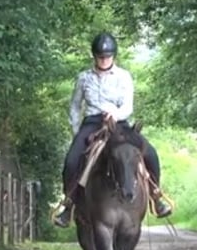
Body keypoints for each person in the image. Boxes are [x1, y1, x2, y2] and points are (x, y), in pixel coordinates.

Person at [53, 32, 172, 228]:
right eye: (100, 57)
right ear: (94, 56)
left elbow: (128, 105)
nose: (104, 60)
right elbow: (75, 106)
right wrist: (76, 131)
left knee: (150, 153)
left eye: (107, 56)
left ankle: (156, 196)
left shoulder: (124, 76)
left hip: (120, 123)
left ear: (113, 56)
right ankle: (69, 205)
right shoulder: (84, 78)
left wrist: (115, 115)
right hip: (92, 123)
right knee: (71, 161)